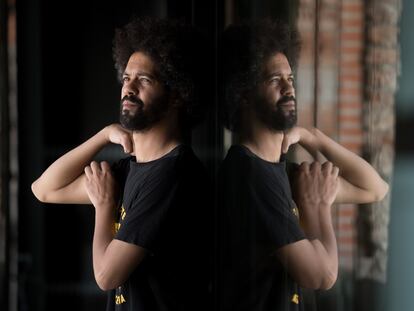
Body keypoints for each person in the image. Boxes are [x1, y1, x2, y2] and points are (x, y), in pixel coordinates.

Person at [32, 17, 211, 311]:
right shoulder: (131, 169)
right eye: (126, 78)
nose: (129, 88)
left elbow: (106, 275)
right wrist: (103, 136)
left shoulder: (174, 174)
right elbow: (44, 188)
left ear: (178, 93)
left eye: (144, 80)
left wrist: (104, 206)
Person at [217, 19, 389, 311]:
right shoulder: (248, 173)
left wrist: (314, 138)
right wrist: (317, 207)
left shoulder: (280, 172)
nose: (288, 88)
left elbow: (375, 188)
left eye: (291, 79)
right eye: (274, 80)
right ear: (244, 92)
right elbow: (321, 275)